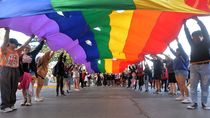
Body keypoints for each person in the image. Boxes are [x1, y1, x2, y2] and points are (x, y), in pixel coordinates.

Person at [0, 28, 34, 112]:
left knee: (13, 88)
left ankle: (11, 104)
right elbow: (5, 41)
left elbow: (24, 45)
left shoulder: (17, 52)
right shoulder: (4, 50)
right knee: (6, 88)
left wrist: (31, 38)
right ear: (9, 43)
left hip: (15, 70)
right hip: (6, 70)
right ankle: (4, 106)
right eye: (15, 44)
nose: (17, 45)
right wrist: (8, 31)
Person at [184, 17, 210, 110]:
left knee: (205, 86)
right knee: (193, 85)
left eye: (196, 36)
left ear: (201, 36)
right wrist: (185, 24)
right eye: (193, 37)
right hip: (194, 66)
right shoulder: (192, 43)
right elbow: (187, 35)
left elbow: (205, 30)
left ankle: (204, 103)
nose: (194, 38)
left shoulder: (207, 41)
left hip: (206, 66)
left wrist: (197, 20)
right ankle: (194, 103)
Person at [19, 40, 44, 106]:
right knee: (24, 87)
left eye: (28, 48)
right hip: (23, 73)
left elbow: (38, 48)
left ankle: (29, 100)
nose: (26, 49)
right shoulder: (20, 56)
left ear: (29, 49)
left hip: (31, 73)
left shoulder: (32, 54)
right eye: (25, 48)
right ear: (23, 49)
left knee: (29, 86)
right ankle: (24, 99)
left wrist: (42, 42)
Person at [169, 39, 191, 104]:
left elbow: (181, 49)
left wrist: (178, 41)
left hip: (182, 70)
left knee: (183, 83)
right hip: (176, 71)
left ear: (180, 51)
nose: (176, 52)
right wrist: (169, 47)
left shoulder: (184, 55)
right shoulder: (177, 56)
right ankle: (182, 96)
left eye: (177, 51)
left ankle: (188, 97)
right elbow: (173, 52)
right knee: (179, 84)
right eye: (176, 51)